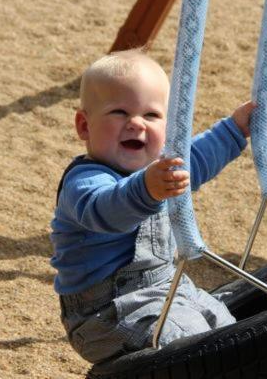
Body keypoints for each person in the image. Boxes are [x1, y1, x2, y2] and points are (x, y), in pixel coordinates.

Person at [50, 48, 255, 364]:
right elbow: (105, 210)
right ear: (84, 126)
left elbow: (197, 158)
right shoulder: (86, 181)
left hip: (168, 289)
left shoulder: (160, 171)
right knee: (185, 340)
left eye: (151, 115)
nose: (136, 123)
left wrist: (234, 129)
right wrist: (146, 189)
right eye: (119, 112)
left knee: (224, 324)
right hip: (103, 314)